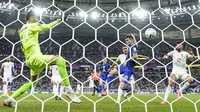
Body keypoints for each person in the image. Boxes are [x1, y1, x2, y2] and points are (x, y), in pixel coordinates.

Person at [3, 10, 81, 107]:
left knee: (32, 83)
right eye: (36, 17)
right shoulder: (32, 26)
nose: (37, 19)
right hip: (36, 58)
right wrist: (59, 20)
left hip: (29, 60)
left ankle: (10, 99)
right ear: (31, 18)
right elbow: (46, 27)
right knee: (60, 60)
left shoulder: (22, 29)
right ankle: (68, 90)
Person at [119, 34, 148, 99]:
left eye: (128, 40)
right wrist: (144, 56)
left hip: (128, 68)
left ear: (131, 40)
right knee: (111, 73)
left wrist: (126, 61)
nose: (127, 41)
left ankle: (131, 89)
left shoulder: (134, 47)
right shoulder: (130, 47)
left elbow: (135, 56)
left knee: (122, 87)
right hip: (124, 66)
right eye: (126, 41)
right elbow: (137, 54)